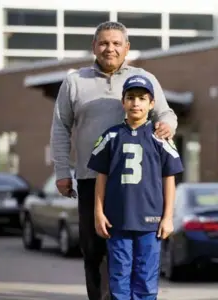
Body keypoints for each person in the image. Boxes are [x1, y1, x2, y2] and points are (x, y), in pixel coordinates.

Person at [50, 21, 177, 300]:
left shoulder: (144, 78)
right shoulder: (75, 82)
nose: (110, 48)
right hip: (89, 178)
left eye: (117, 43)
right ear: (94, 47)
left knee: (131, 256)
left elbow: (166, 113)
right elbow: (60, 127)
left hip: (134, 186)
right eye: (104, 43)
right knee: (94, 251)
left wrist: (168, 125)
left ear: (127, 48)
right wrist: (62, 170)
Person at [88, 74, 184, 300]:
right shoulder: (111, 136)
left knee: (146, 280)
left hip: (150, 223)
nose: (136, 103)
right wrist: (98, 212)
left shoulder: (160, 137)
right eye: (130, 97)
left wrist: (168, 216)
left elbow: (169, 178)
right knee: (119, 278)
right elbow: (101, 177)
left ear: (152, 104)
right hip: (117, 220)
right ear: (123, 102)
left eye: (142, 98)